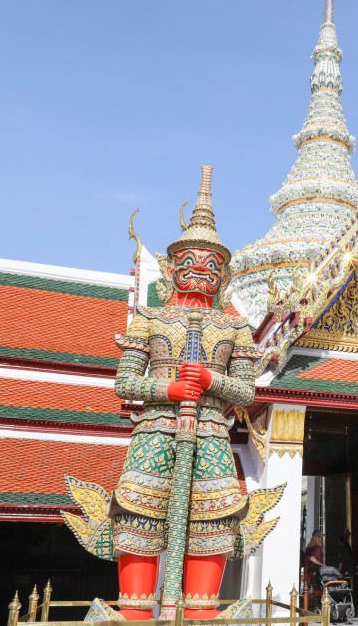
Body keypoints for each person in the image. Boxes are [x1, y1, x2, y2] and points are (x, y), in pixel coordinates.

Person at [108, 167, 268, 620]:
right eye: (190, 263)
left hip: (213, 436)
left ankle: (201, 615)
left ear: (224, 275)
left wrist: (211, 382)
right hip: (156, 435)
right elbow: (125, 382)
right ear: (172, 266)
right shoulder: (150, 319)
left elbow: (246, 389)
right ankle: (136, 615)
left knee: (213, 527)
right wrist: (171, 387)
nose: (200, 272)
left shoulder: (235, 327)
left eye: (212, 266)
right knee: (139, 521)